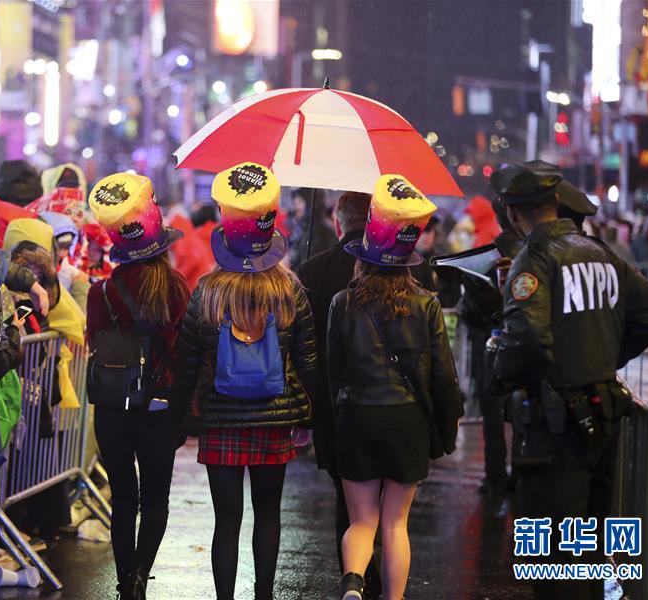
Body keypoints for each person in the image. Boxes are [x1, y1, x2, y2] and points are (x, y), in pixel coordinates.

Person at [490, 164, 648, 600]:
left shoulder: (533, 260)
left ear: (514, 214)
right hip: (601, 420)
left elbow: (528, 341)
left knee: (550, 563)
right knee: (588, 554)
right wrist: (604, 355)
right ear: (554, 204)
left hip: (554, 431)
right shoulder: (603, 254)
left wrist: (502, 365)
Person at [176, 163, 317, 600]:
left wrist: (183, 415)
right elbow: (308, 361)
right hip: (273, 421)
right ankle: (265, 596)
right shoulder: (289, 290)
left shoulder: (208, 290)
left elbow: (187, 358)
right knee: (269, 516)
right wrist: (312, 413)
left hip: (220, 419)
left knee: (226, 522)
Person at [328, 175, 463, 600]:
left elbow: (335, 371)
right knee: (395, 524)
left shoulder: (343, 302)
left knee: (361, 522)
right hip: (407, 420)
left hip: (357, 417)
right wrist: (446, 428)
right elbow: (443, 375)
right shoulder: (426, 304)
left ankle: (353, 583)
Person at [85, 173, 189, 600]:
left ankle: (123, 575)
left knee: (123, 497)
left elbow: (95, 343)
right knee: (155, 499)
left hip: (112, 408)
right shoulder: (176, 289)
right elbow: (183, 352)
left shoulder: (101, 293)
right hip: (159, 407)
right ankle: (140, 576)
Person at [297, 190, 383, 600]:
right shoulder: (396, 269)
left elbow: (302, 342)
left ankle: (352, 575)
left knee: (344, 495)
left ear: (338, 222)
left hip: (331, 403)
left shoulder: (313, 270)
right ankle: (376, 571)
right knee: (386, 497)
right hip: (387, 399)